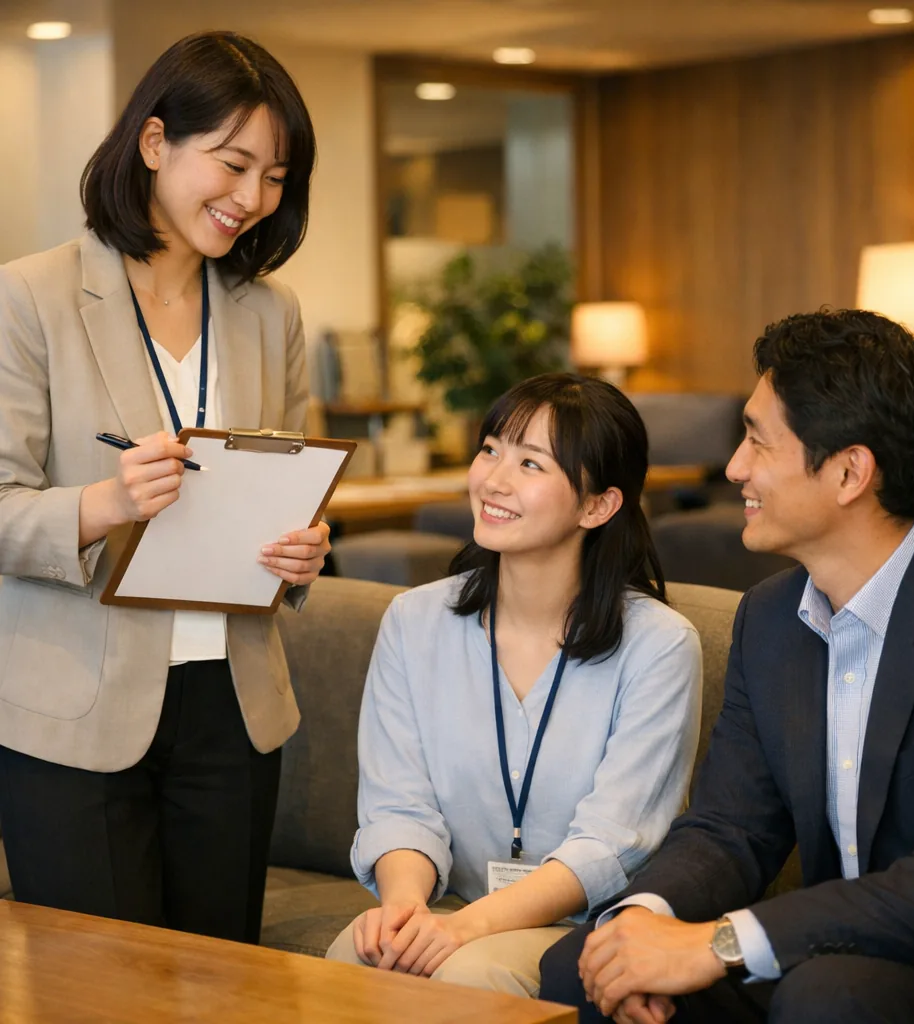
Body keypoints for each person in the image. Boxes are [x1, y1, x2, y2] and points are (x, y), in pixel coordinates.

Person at [539, 309, 914, 1024]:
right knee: (586, 965)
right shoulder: (772, 617)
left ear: (850, 472)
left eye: (757, 440)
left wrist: (721, 941)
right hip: (829, 959)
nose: (734, 467)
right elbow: (730, 830)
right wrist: (640, 919)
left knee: (826, 997)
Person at [0, 31, 327, 944]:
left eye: (275, 176)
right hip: (75, 711)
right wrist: (108, 501)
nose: (252, 198)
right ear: (154, 144)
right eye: (232, 165)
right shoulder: (30, 297)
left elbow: (290, 488)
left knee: (224, 986)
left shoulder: (271, 312)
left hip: (234, 705)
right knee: (96, 993)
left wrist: (303, 550)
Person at [324, 372, 703, 997]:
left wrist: (463, 930)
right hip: (451, 913)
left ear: (597, 506)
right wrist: (404, 910)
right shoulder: (415, 621)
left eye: (531, 463)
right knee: (361, 952)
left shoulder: (659, 645)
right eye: (491, 449)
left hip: (583, 929)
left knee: (468, 975)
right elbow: (399, 809)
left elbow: (609, 846)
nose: (493, 480)